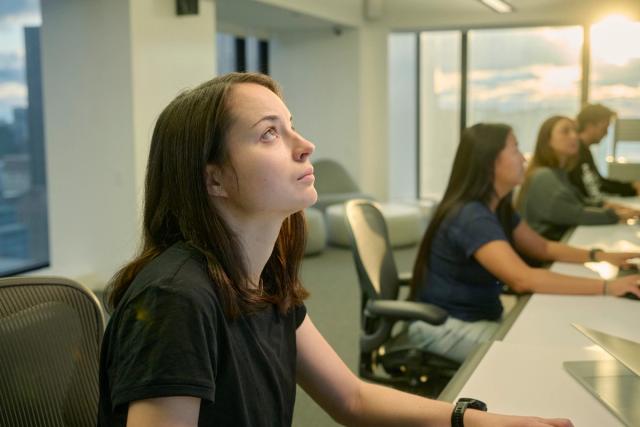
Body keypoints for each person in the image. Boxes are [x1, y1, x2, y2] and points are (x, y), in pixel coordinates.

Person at [98, 73, 574, 427]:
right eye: (270, 133)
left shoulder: (261, 282)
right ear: (213, 178)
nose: (305, 146)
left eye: (292, 127)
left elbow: (352, 399)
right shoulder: (175, 298)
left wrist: (485, 421)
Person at [408, 123, 640, 364]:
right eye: (515, 149)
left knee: (551, 336)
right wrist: (608, 287)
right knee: (542, 354)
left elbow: (542, 247)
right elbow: (522, 279)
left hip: (479, 318)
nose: (523, 158)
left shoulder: (498, 207)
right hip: (444, 326)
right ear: (490, 162)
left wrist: (601, 256)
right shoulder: (471, 216)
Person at [516, 116, 636, 241]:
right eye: (565, 131)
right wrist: (617, 215)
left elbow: (579, 201)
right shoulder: (543, 176)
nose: (574, 136)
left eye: (575, 131)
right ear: (547, 140)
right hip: (546, 255)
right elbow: (576, 214)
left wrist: (606, 205)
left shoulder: (560, 173)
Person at [568, 103, 640, 200]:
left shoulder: (584, 151)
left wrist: (631, 187)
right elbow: (594, 188)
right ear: (590, 125)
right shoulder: (577, 153)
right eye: (604, 128)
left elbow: (597, 182)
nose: (606, 133)